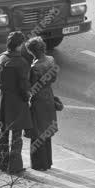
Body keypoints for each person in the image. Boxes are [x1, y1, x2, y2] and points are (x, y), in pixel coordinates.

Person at [0, 31, 32, 174]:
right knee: (16, 135)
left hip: (4, 103)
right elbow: (24, 87)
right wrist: (27, 98)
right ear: (19, 45)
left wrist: (2, 93)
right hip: (18, 104)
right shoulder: (22, 63)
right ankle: (15, 166)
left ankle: (2, 164)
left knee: (3, 134)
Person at [25, 36, 58, 171]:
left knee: (37, 132)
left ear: (33, 51)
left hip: (38, 99)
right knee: (46, 130)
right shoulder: (51, 60)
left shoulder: (35, 67)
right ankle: (48, 162)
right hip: (49, 96)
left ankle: (39, 164)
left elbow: (30, 86)